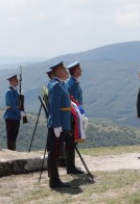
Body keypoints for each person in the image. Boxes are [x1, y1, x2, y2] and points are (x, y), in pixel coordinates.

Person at [46, 61, 73, 189]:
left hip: (62, 122)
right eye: (63, 69)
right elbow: (54, 107)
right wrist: (57, 125)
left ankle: (53, 177)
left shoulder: (60, 84)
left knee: (56, 151)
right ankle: (54, 180)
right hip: (59, 124)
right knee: (54, 152)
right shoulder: (56, 85)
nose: (66, 71)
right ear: (57, 72)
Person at [64, 61, 84, 175]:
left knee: (71, 142)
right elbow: (73, 102)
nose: (81, 70)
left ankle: (70, 166)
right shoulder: (73, 84)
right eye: (79, 69)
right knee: (72, 142)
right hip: (73, 115)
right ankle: (71, 167)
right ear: (75, 71)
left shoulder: (70, 82)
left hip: (72, 114)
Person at [4, 74, 23, 150]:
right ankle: (11, 151)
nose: (17, 81)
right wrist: (19, 113)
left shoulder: (16, 91)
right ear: (11, 82)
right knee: (11, 135)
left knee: (14, 135)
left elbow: (19, 104)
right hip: (11, 116)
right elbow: (12, 105)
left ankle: (13, 149)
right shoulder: (9, 92)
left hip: (16, 116)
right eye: (15, 80)